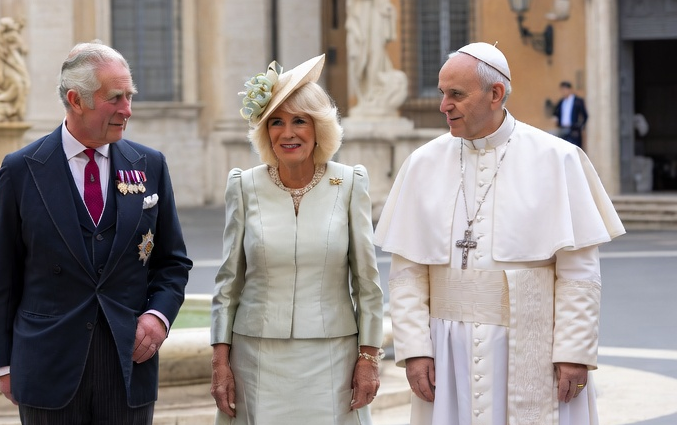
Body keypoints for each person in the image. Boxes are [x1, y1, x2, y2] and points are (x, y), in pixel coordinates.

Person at [374, 43, 625, 424]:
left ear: (495, 94)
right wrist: (414, 350)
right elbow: (406, 272)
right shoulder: (422, 163)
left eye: (456, 94)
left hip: (532, 350)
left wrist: (574, 352)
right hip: (447, 353)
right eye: (442, 93)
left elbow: (579, 274)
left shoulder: (557, 159)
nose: (444, 105)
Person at [0, 41, 192, 424]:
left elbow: (173, 263)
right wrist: (3, 363)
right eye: (115, 98)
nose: (127, 110)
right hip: (48, 366)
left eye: (129, 96)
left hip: (128, 364)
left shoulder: (150, 164)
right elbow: (1, 277)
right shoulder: (21, 170)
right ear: (76, 100)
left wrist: (158, 317)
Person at [210, 54, 385, 424]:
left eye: (299, 121)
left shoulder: (350, 182)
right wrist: (220, 362)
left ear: (318, 127)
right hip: (255, 358)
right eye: (276, 121)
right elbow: (228, 285)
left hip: (332, 358)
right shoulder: (243, 185)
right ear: (264, 129)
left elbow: (368, 284)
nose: (287, 133)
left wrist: (368, 359)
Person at [553, 80, 588, 148]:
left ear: (569, 89)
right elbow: (556, 113)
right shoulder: (561, 102)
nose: (564, 92)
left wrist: (580, 126)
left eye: (565, 89)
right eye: (562, 90)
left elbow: (585, 115)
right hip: (563, 130)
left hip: (574, 131)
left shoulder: (577, 101)